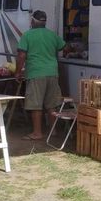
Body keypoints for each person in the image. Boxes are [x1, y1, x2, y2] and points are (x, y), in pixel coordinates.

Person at [15, 10, 69, 140]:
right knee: (52, 104)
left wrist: (18, 72)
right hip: (52, 73)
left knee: (36, 105)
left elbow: (21, 55)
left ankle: (37, 133)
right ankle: (53, 130)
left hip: (36, 73)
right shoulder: (52, 35)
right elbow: (65, 47)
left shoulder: (27, 35)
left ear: (32, 21)